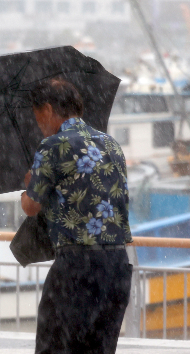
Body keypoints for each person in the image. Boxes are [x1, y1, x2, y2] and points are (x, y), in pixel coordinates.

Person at [21, 78, 133, 354]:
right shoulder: (111, 145)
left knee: (54, 347)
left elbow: (31, 207)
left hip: (77, 268)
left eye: (38, 119)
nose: (40, 126)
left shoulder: (53, 146)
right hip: (117, 267)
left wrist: (29, 186)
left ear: (46, 110)